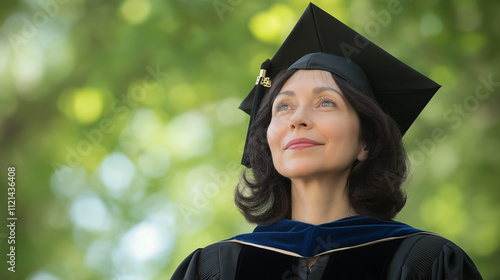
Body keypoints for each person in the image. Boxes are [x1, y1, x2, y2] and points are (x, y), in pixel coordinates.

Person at [172, 3, 482, 279]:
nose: (297, 119)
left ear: (367, 141)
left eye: (325, 103)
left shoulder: (425, 261)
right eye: (283, 106)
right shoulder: (216, 266)